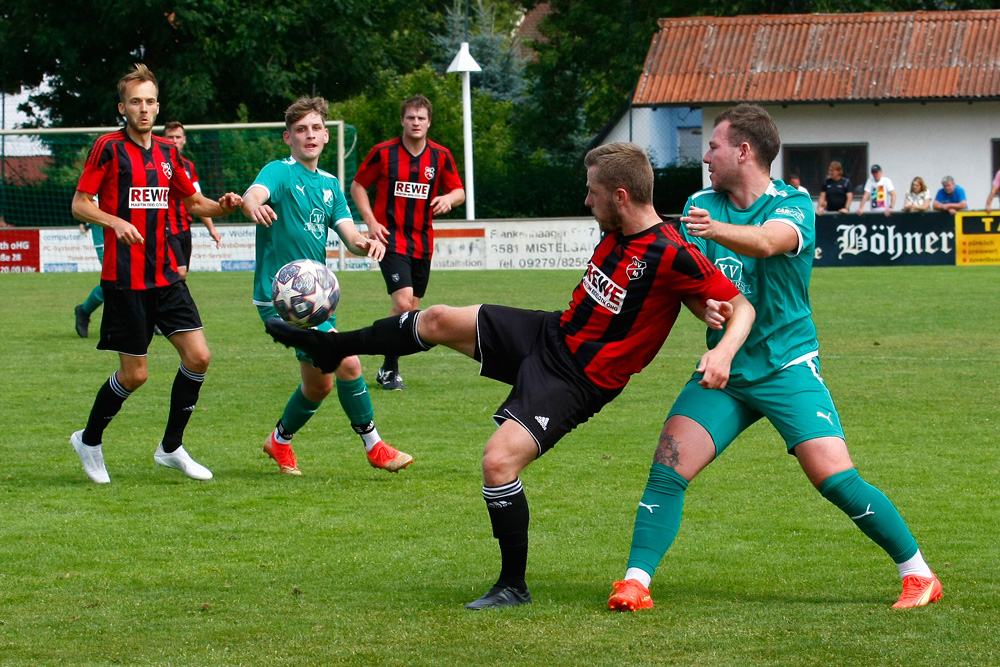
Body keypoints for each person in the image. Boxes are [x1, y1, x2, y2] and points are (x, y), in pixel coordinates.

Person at [266, 142, 756, 609]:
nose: (586, 200)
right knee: (436, 318)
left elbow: (742, 308)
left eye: (591, 191)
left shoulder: (672, 252)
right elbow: (684, 295)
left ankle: (512, 585)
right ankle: (330, 347)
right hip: (550, 333)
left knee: (498, 463)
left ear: (620, 197)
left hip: (579, 379)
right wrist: (700, 304)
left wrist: (722, 351)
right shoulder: (620, 230)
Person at [606, 104, 941, 613]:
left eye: (714, 146)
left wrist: (713, 230)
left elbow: (767, 243)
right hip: (726, 369)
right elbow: (697, 284)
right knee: (667, 468)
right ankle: (635, 582)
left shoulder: (795, 203)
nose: (707, 157)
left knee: (836, 479)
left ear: (744, 151)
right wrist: (708, 307)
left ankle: (918, 574)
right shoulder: (702, 200)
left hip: (788, 366)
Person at [69, 64, 242, 483]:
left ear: (157, 106)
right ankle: (89, 440)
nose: (143, 109)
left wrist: (224, 205)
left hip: (167, 276)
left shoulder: (168, 153)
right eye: (135, 102)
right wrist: (114, 221)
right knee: (136, 375)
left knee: (199, 356)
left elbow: (194, 203)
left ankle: (171, 447)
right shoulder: (108, 149)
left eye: (149, 101)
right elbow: (80, 203)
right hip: (125, 279)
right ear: (123, 107)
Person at [242, 96, 413, 476]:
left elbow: (348, 233)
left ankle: (279, 442)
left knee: (318, 386)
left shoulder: (330, 184)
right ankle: (375, 447)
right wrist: (251, 204)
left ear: (324, 135)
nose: (310, 135)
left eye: (316, 128)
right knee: (348, 362)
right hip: (282, 300)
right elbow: (255, 194)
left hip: (316, 299)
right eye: (301, 129)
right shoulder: (279, 172)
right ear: (288, 137)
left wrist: (364, 243)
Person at [350, 95, 465, 391]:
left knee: (410, 316)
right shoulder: (384, 152)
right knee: (402, 304)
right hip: (390, 239)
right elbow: (358, 185)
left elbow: (459, 191)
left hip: (423, 243)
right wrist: (372, 224)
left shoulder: (440, 156)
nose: (416, 123)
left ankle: (386, 363)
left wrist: (448, 199)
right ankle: (387, 367)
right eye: (411, 117)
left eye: (421, 118)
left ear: (429, 123)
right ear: (402, 120)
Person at [163, 121, 222, 279]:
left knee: (182, 275)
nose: (174, 141)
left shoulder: (188, 166)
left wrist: (212, 229)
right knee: (179, 273)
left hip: (184, 228)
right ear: (163, 139)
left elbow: (198, 200)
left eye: (178, 137)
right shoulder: (157, 164)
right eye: (170, 137)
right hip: (166, 228)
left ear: (184, 140)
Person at [73, 222, 105, 338]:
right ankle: (84, 311)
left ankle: (154, 319)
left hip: (131, 242)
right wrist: (86, 223)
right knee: (116, 282)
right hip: (105, 244)